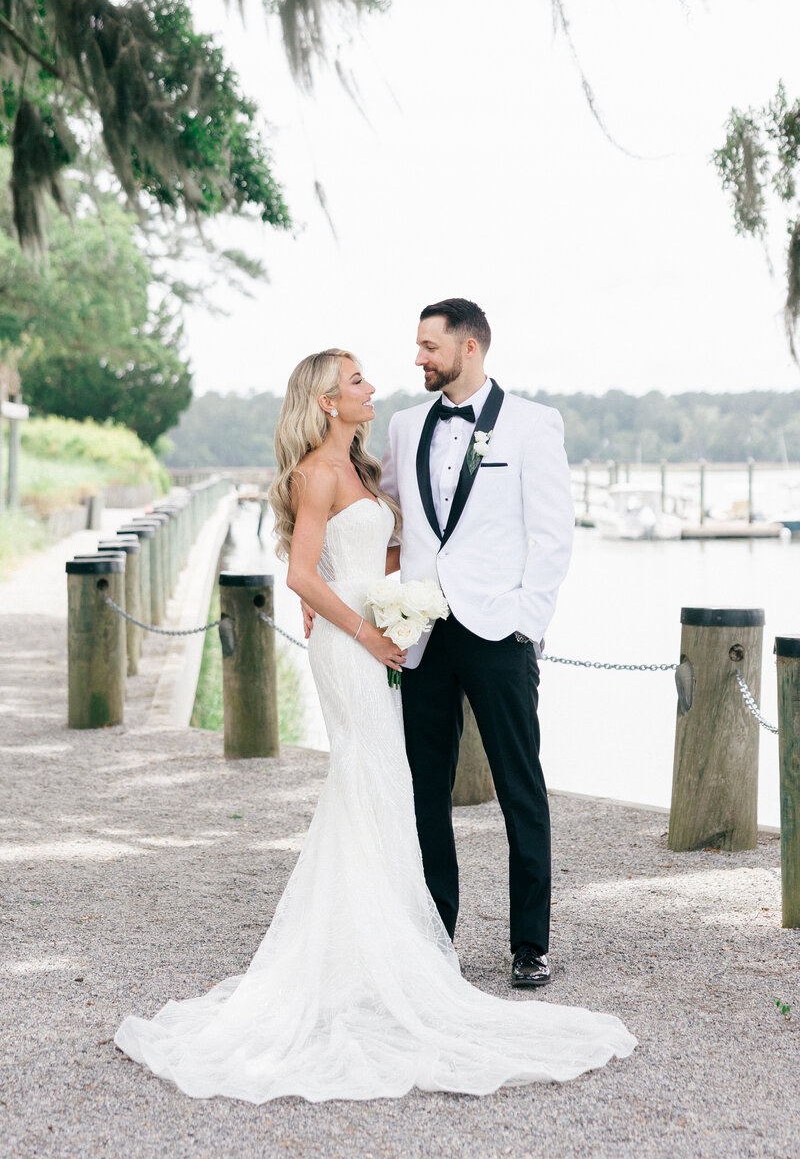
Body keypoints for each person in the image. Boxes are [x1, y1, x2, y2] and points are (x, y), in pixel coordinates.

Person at [114, 348, 635, 1102]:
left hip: (390, 636)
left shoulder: (363, 466)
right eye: (356, 381)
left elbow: (396, 543)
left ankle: (398, 942)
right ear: (327, 402)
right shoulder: (315, 475)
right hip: (354, 646)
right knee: (371, 781)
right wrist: (365, 631)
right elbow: (300, 573)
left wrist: (411, 601)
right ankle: (381, 952)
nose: (372, 387)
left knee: (386, 786)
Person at [380, 298, 574, 990]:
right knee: (423, 789)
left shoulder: (531, 424)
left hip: (499, 632)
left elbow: (553, 535)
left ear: (469, 348)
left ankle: (530, 945)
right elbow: (393, 521)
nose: (418, 358)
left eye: (429, 346)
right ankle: (437, 934)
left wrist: (527, 620)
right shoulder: (403, 427)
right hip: (425, 635)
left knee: (520, 786)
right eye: (418, 345)